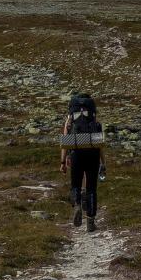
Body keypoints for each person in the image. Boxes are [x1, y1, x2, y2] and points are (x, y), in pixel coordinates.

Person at [61, 93, 102, 232]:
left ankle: (77, 204)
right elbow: (100, 143)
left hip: (76, 154)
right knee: (91, 188)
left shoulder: (70, 120)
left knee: (75, 185)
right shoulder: (94, 118)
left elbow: (65, 142)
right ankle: (90, 222)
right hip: (93, 154)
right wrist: (103, 162)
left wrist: (62, 162)